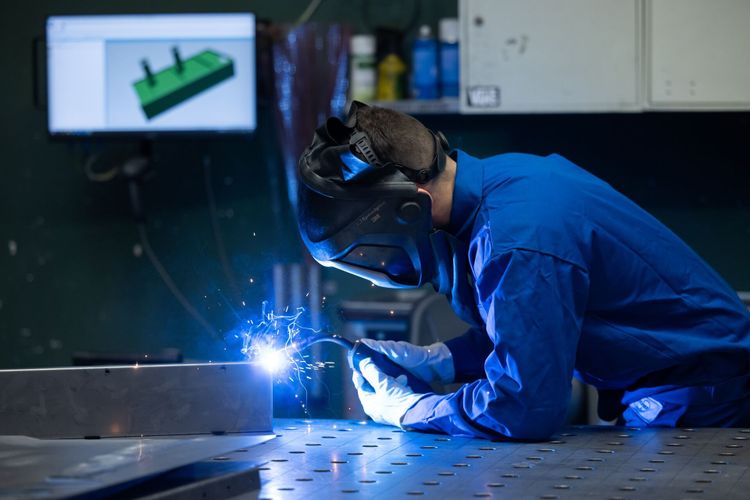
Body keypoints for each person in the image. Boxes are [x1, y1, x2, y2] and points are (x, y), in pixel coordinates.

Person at [296, 102, 750, 439]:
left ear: (409, 206)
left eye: (363, 256)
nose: (371, 270)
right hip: (689, 384)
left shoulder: (515, 239)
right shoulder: (504, 183)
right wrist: (441, 358)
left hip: (703, 398)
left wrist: (413, 411)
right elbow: (533, 329)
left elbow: (525, 407)